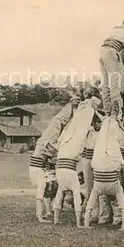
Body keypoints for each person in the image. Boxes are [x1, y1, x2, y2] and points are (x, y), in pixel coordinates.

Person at [29, 96, 80, 223]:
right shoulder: (42, 181)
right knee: (66, 129)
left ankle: (71, 105)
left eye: (50, 187)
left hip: (45, 147)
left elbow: (39, 198)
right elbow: (41, 197)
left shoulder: (41, 180)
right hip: (48, 151)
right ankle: (73, 108)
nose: (50, 186)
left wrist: (40, 217)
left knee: (58, 124)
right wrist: (42, 217)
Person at [53, 97, 101, 228]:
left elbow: (59, 201)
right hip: (65, 158)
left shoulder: (63, 185)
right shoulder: (71, 184)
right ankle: (88, 107)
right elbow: (76, 199)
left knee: (76, 127)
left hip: (63, 160)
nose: (67, 199)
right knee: (78, 128)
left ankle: (86, 107)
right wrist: (79, 224)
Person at [84, 102, 124, 230]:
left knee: (105, 137)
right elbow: (123, 206)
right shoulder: (116, 189)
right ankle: (112, 116)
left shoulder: (98, 189)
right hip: (105, 165)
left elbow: (89, 206)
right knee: (110, 138)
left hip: (100, 166)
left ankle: (111, 117)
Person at [81, 110, 105, 223]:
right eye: (94, 122)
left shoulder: (104, 132)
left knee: (99, 187)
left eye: (98, 122)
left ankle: (100, 214)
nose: (96, 124)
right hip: (87, 159)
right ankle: (90, 212)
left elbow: (105, 122)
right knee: (89, 187)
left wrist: (97, 112)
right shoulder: (88, 132)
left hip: (99, 160)